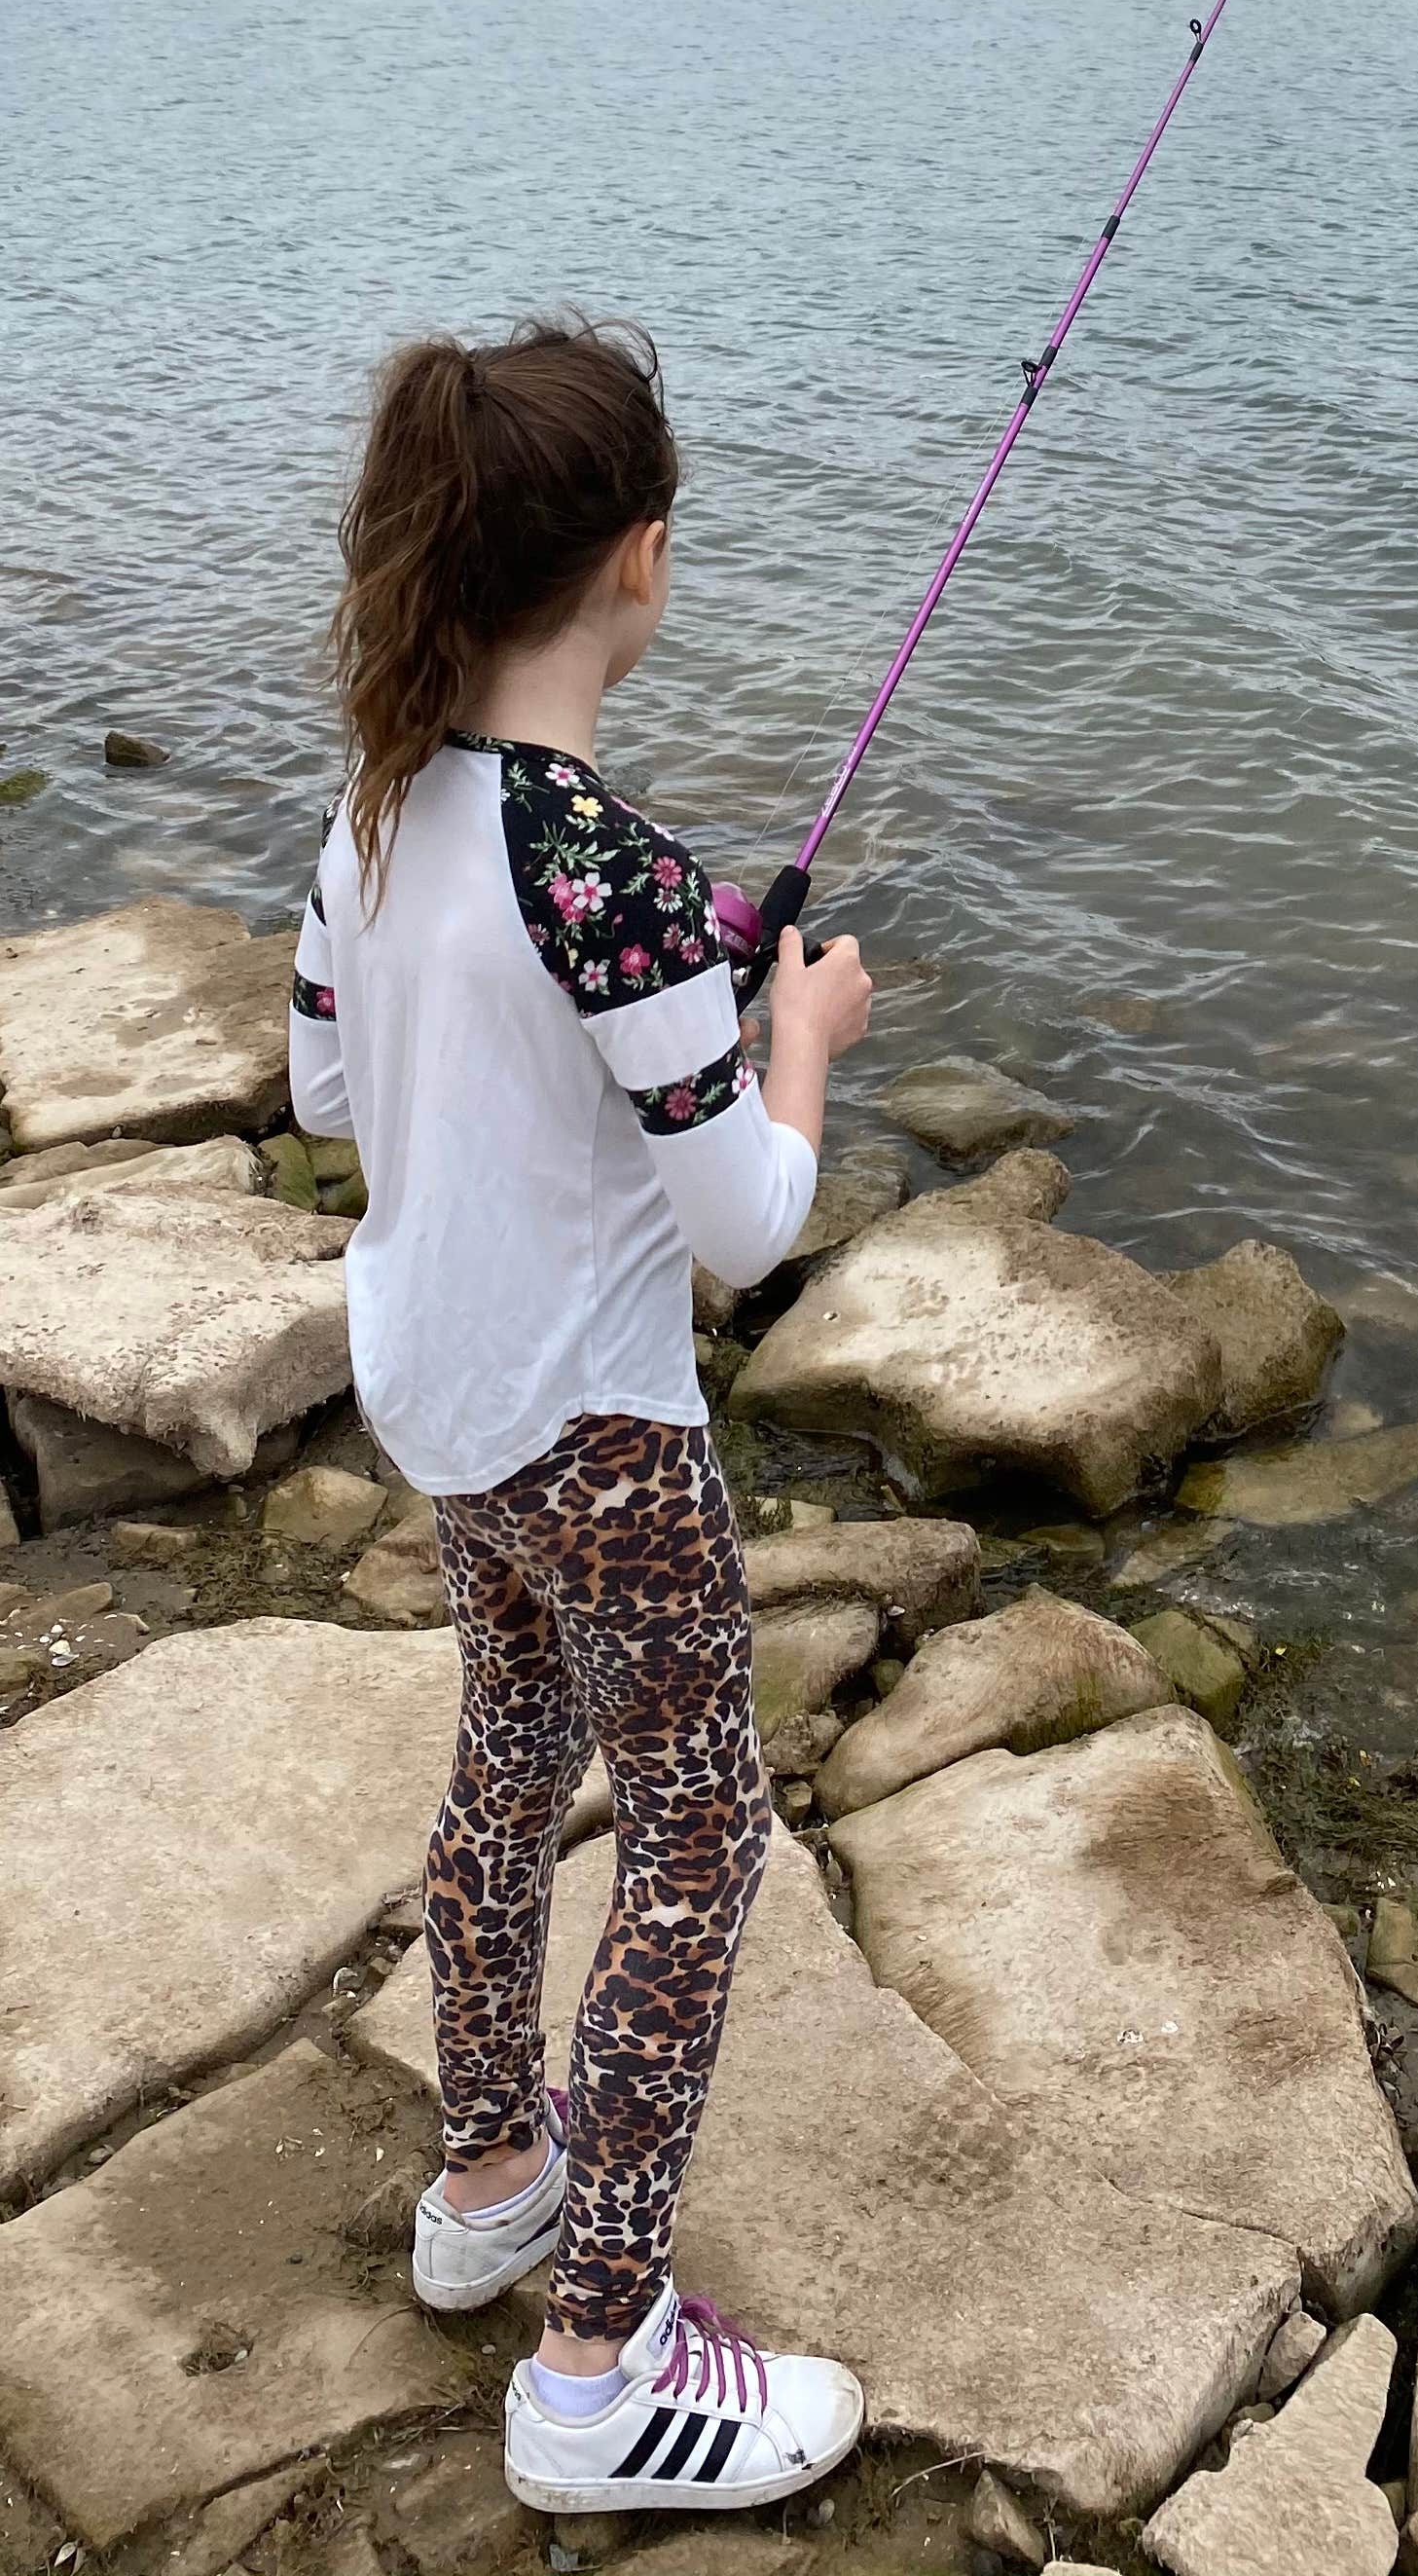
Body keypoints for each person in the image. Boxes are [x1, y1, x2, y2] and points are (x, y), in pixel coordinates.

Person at [290, 315, 872, 2519]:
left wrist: (681, 989)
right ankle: (600, 2363)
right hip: (605, 1439)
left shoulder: (375, 808)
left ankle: (491, 2180)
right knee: (701, 1837)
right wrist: (792, 1021)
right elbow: (747, 1224)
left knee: (508, 1767)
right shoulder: (605, 868)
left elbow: (334, 1085)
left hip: (447, 1404)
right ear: (640, 560)